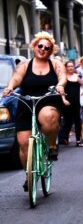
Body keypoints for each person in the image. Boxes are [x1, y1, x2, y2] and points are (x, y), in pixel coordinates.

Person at [2, 31, 66, 192]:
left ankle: (51, 145)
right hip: (27, 101)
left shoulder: (55, 64)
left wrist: (60, 85)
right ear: (34, 46)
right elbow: (16, 78)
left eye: (47, 47)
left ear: (51, 50)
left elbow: (62, 77)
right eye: (40, 46)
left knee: (48, 116)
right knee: (23, 144)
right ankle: (28, 175)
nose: (43, 49)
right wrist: (10, 87)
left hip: (48, 99)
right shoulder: (24, 65)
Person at [59, 60, 83, 147]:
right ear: (65, 68)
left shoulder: (77, 77)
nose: (70, 68)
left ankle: (78, 140)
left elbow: (82, 85)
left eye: (72, 66)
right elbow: (60, 89)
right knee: (67, 121)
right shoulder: (64, 78)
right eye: (68, 66)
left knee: (78, 120)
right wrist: (63, 99)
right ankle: (65, 137)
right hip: (66, 102)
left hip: (76, 102)